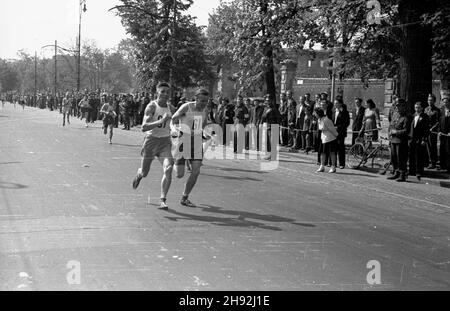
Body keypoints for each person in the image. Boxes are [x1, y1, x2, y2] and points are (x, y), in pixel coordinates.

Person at [132, 82, 174, 210]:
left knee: (168, 168)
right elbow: (144, 127)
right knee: (145, 173)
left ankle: (163, 199)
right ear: (157, 92)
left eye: (167, 92)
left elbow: (180, 117)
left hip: (165, 142)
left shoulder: (171, 107)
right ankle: (139, 173)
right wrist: (161, 121)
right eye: (163, 91)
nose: (165, 94)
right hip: (151, 141)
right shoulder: (151, 106)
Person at [171, 88, 211, 207]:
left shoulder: (205, 111)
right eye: (202, 100)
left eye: (206, 101)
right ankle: (173, 162)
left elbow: (201, 126)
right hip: (183, 141)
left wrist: (207, 134)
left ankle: (185, 197)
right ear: (196, 98)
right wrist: (176, 130)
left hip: (196, 143)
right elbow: (173, 119)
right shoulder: (186, 107)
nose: (204, 103)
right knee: (179, 174)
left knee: (196, 171)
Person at [387, 99, 411, 182]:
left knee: (401, 158)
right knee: (394, 158)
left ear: (403, 106)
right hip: (393, 140)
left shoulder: (407, 117)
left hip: (401, 141)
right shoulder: (395, 115)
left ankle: (402, 174)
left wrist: (396, 132)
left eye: (398, 106)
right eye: (396, 106)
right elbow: (391, 125)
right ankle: (396, 172)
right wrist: (390, 133)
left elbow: (406, 130)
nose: (397, 107)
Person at [408, 102, 430, 181]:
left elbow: (426, 130)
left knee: (419, 156)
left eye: (418, 107)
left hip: (420, 138)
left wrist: (424, 139)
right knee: (412, 155)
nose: (417, 109)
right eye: (415, 107)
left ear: (421, 108)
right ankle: (411, 171)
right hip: (412, 138)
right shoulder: (413, 116)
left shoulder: (425, 117)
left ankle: (419, 171)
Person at [315, 107, 338, 173]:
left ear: (318, 113)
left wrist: (336, 135)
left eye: (315, 113)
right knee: (322, 152)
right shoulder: (319, 120)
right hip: (324, 139)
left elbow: (332, 129)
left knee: (332, 152)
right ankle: (322, 166)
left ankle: (333, 167)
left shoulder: (326, 120)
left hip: (331, 138)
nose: (314, 114)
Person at [332, 98, 350, 169]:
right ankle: (334, 163)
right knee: (334, 147)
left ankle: (342, 163)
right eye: (334, 103)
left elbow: (346, 123)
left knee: (340, 148)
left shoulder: (345, 112)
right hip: (333, 132)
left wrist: (338, 127)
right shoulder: (333, 111)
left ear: (340, 104)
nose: (335, 104)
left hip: (341, 132)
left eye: (336, 103)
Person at [424, 94, 441, 169]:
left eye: (431, 100)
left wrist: (432, 128)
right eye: (428, 100)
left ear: (434, 101)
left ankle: (433, 162)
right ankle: (426, 161)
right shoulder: (426, 109)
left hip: (432, 131)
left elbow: (438, 122)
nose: (429, 101)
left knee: (432, 146)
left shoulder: (437, 110)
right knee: (425, 145)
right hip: (425, 130)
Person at [438, 97, 450, 173]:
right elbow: (439, 122)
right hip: (442, 133)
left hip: (449, 134)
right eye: (444, 102)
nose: (445, 104)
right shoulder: (441, 111)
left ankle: (449, 167)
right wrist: (439, 131)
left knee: (448, 150)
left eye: (446, 102)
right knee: (442, 149)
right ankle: (443, 166)